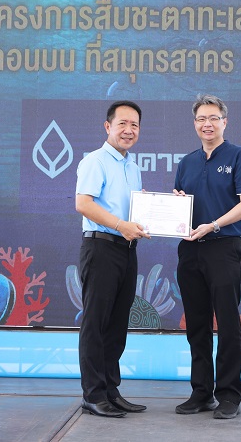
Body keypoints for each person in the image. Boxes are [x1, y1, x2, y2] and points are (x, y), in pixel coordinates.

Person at [173, 93, 241, 420]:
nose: (206, 124)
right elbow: (181, 204)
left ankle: (229, 395)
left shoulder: (238, 156)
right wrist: (175, 207)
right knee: (196, 324)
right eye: (200, 119)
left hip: (224, 247)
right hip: (190, 249)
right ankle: (201, 393)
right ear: (194, 124)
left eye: (213, 118)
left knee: (227, 323)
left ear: (224, 121)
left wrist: (214, 224)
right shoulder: (187, 162)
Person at [75, 100, 150, 418]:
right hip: (101, 248)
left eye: (134, 125)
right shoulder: (95, 161)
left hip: (127, 250)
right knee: (96, 323)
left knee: (117, 324)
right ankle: (93, 394)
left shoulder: (133, 168)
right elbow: (83, 204)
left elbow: (136, 211)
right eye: (122, 124)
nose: (128, 130)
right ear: (108, 127)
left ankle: (110, 390)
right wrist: (121, 225)